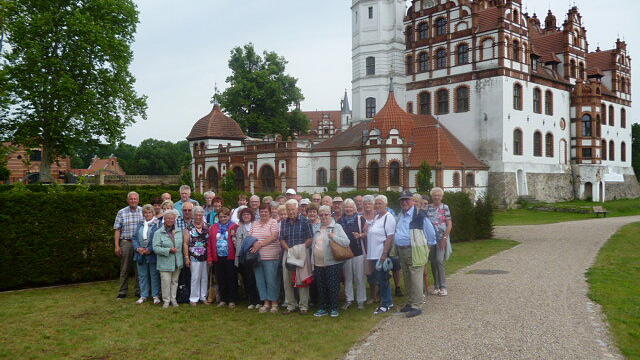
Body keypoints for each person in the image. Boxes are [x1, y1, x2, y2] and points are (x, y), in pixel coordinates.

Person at [394, 191, 436, 317]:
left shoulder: (419, 214)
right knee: (407, 276)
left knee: (416, 277)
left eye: (407, 199)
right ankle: (410, 302)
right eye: (402, 200)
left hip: (414, 250)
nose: (404, 202)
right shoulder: (401, 215)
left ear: (413, 201)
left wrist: (427, 248)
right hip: (402, 250)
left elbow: (431, 233)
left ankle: (417, 306)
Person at [312, 205, 351, 318]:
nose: (324, 217)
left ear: (330, 215)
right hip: (318, 263)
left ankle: (334, 308)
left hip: (332, 263)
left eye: (326, 214)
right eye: (321, 215)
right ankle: (323, 308)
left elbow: (346, 242)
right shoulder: (317, 228)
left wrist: (333, 236)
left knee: (333, 286)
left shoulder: (336, 227)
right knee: (321, 286)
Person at [280, 199, 314, 314]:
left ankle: (303, 306)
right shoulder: (284, 222)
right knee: (287, 279)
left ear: (298, 209)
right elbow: (282, 239)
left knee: (302, 278)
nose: (290, 212)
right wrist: (288, 250)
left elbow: (310, 238)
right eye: (288, 210)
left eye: (292, 209)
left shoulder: (306, 221)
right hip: (288, 251)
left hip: (302, 252)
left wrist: (302, 248)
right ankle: (291, 305)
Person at [367, 195, 396, 314]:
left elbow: (390, 237)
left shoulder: (388, 218)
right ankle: (387, 301)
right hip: (373, 254)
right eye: (376, 204)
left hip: (381, 254)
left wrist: (384, 254)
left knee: (383, 279)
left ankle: (386, 304)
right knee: (379, 279)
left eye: (380, 204)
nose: (377, 206)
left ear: (386, 205)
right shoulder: (377, 217)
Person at [250, 204, 281, 313]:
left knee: (271, 280)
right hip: (257, 257)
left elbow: (274, 237)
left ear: (270, 212)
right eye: (261, 211)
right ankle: (265, 302)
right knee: (260, 281)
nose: (263, 213)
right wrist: (254, 244)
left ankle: (274, 303)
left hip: (271, 256)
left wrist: (260, 244)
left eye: (265, 211)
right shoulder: (255, 223)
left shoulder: (273, 222)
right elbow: (251, 237)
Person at [338, 199, 367, 310]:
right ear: (343, 209)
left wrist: (360, 235)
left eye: (350, 207)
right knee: (348, 278)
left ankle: (361, 301)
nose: (348, 209)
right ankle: (349, 299)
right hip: (345, 253)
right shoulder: (340, 221)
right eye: (346, 207)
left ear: (354, 208)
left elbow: (366, 233)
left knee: (359, 277)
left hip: (358, 252)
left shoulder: (360, 219)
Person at [113, 191, 143, 299]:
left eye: (135, 199)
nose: (133, 201)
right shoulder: (121, 212)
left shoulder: (143, 211)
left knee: (139, 268)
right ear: (128, 200)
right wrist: (117, 246)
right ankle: (122, 291)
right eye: (131, 199)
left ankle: (139, 291)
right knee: (125, 268)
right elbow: (117, 230)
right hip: (126, 242)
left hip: (139, 243)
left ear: (138, 200)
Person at [153, 209, 184, 308]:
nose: (170, 220)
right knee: (165, 282)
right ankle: (166, 301)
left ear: (175, 219)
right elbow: (155, 248)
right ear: (164, 219)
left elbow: (183, 246)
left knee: (174, 281)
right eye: (167, 218)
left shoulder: (179, 231)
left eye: (172, 218)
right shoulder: (158, 232)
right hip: (164, 262)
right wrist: (168, 250)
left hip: (177, 262)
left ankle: (173, 299)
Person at [208, 207, 239, 308]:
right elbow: (209, 244)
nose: (223, 218)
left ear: (229, 216)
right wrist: (210, 258)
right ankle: (222, 299)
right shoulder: (213, 228)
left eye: (225, 216)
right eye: (221, 217)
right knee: (220, 279)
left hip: (231, 257)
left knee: (231, 278)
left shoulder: (234, 227)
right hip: (218, 257)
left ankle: (232, 299)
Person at [426, 187, 452, 296]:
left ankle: (443, 286)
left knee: (439, 260)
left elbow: (449, 223)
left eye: (439, 195)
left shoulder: (445, 207)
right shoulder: (428, 208)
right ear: (432, 196)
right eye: (435, 195)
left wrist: (445, 238)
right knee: (432, 261)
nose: (436, 197)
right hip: (431, 239)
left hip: (442, 237)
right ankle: (436, 286)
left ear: (442, 197)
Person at [132, 204, 161, 305]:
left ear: (153, 213)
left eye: (149, 212)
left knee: (154, 275)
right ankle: (143, 295)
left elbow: (159, 239)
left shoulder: (158, 224)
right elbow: (134, 238)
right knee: (142, 275)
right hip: (140, 254)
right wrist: (137, 248)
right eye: (145, 212)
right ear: (143, 213)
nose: (147, 214)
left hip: (152, 254)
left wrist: (150, 249)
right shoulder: (140, 224)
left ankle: (155, 296)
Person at [234, 207, 260, 309]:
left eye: (248, 214)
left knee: (257, 279)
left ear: (251, 216)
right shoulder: (239, 228)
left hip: (255, 256)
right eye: (244, 215)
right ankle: (251, 300)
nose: (246, 216)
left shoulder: (256, 226)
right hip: (244, 258)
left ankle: (259, 300)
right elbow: (238, 244)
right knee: (248, 280)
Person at [184, 206, 209, 306]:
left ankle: (203, 297)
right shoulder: (188, 228)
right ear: (193, 215)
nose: (198, 217)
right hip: (194, 257)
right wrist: (186, 257)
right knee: (195, 277)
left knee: (204, 277)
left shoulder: (207, 226)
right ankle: (193, 298)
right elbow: (185, 244)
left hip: (206, 257)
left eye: (200, 215)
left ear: (203, 215)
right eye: (196, 215)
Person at [362, 195, 378, 304]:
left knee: (379, 272)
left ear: (373, 205)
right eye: (365, 204)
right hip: (365, 248)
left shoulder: (378, 216)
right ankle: (373, 296)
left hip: (377, 248)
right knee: (370, 273)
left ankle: (379, 294)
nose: (367, 206)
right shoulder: (360, 217)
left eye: (370, 203)